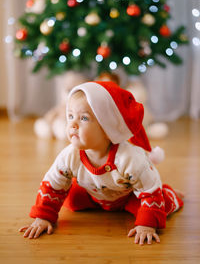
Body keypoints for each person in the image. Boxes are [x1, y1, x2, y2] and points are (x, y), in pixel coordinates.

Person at [19, 81, 184, 245]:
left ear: (108, 128)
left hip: (128, 197)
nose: (73, 124)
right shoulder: (69, 155)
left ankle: (170, 194)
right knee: (71, 199)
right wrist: (43, 217)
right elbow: (52, 185)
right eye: (70, 116)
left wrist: (146, 226)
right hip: (93, 195)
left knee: (159, 204)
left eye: (84, 118)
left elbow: (149, 190)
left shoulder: (130, 159)